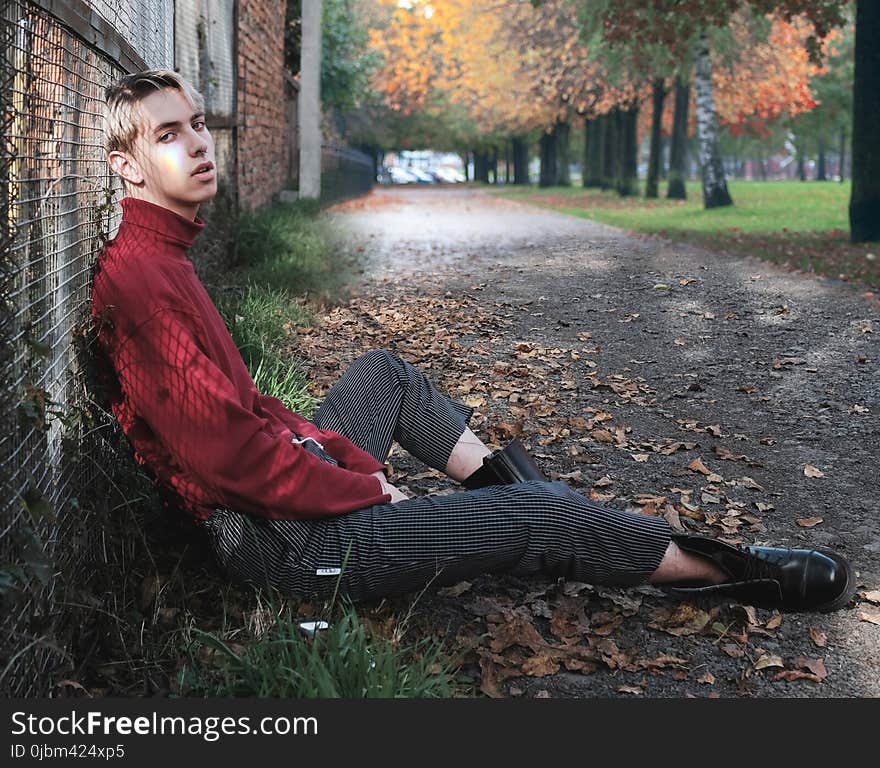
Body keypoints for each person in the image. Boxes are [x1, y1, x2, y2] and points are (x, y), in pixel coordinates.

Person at [90, 69, 855, 615]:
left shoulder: (163, 259)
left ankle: (513, 514)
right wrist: (358, 486)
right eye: (169, 134)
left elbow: (248, 410)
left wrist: (332, 451)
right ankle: (726, 572)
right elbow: (228, 460)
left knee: (381, 374)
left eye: (196, 122)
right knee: (547, 514)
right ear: (126, 165)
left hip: (282, 503)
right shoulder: (145, 284)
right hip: (280, 548)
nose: (197, 143)